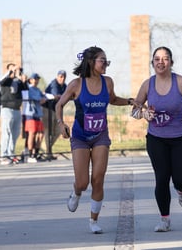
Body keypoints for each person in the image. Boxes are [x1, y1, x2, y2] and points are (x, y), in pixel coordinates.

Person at [55, 46, 134, 234]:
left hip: (100, 136)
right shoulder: (76, 84)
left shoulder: (108, 82)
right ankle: (76, 192)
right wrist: (61, 124)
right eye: (102, 60)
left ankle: (93, 220)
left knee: (98, 180)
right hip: (81, 137)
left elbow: (113, 99)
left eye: (107, 61)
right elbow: (59, 104)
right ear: (91, 62)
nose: (106, 64)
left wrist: (131, 101)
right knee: (83, 183)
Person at [131, 46, 182, 232]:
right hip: (156, 139)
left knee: (181, 179)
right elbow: (135, 109)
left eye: (165, 59)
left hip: (181, 138)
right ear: (152, 62)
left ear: (171, 62)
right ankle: (165, 219)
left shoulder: (181, 82)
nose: (160, 62)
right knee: (161, 178)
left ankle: (181, 190)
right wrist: (144, 113)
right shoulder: (148, 84)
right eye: (157, 59)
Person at [0, 63, 27, 163]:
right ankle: (4, 155)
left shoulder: (17, 81)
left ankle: (11, 154)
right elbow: (3, 82)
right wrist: (11, 72)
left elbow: (25, 90)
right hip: (7, 109)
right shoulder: (5, 79)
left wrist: (23, 80)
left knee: (15, 133)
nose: (15, 71)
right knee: (6, 132)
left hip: (16, 109)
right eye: (12, 70)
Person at [42, 70, 67, 159]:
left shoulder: (64, 86)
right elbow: (56, 96)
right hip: (47, 109)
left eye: (63, 76)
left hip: (56, 110)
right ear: (57, 76)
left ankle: (47, 149)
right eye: (60, 76)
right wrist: (64, 96)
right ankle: (48, 153)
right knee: (48, 131)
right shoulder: (54, 84)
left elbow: (68, 95)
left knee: (58, 130)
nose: (62, 78)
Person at [23, 73, 46, 163]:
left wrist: (42, 97)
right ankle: (29, 154)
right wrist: (41, 98)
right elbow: (36, 98)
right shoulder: (29, 88)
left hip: (38, 114)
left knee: (41, 134)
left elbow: (43, 97)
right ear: (31, 80)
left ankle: (35, 154)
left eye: (37, 79)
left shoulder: (38, 89)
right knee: (31, 134)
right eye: (34, 79)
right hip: (30, 114)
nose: (36, 81)